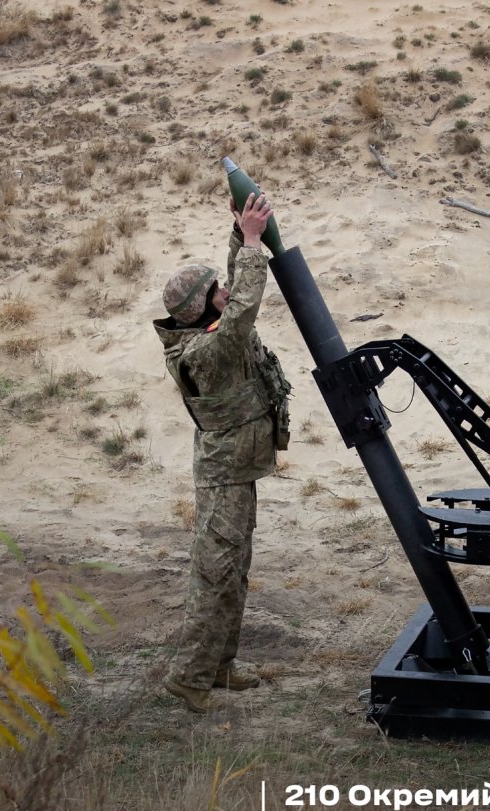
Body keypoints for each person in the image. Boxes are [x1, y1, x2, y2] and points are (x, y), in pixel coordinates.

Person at [152, 192, 291, 715]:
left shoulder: (204, 329)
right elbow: (241, 311)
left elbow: (231, 298)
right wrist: (254, 245)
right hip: (224, 475)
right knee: (214, 572)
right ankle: (189, 678)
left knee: (235, 566)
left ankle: (221, 665)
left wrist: (240, 236)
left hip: (240, 465)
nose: (225, 291)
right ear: (201, 307)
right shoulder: (207, 350)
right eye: (215, 290)